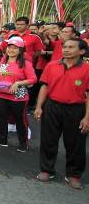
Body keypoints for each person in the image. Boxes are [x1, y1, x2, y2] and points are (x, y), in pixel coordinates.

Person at [35, 38, 89, 189]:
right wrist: (39, 106)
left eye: (71, 47)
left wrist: (87, 117)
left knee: (75, 144)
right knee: (48, 140)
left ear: (82, 51)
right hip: (52, 106)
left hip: (76, 109)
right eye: (65, 47)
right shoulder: (52, 65)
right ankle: (47, 170)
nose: (66, 50)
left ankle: (74, 174)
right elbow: (44, 87)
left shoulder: (86, 69)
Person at [0, 37, 37, 152]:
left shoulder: (25, 63)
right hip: (1, 95)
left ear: (20, 50)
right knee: (1, 118)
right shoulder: (3, 61)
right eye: (9, 47)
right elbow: (0, 74)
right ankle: (2, 140)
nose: (11, 50)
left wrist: (19, 83)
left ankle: (23, 143)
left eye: (15, 48)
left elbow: (33, 79)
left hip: (18, 97)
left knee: (20, 120)